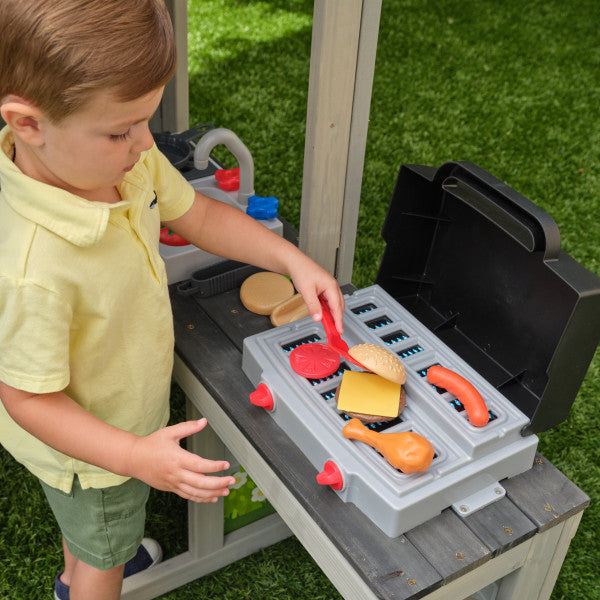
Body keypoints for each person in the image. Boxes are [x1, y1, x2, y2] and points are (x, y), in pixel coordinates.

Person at [0, 1, 345, 599]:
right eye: (121, 130)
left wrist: (290, 258)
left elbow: (200, 214)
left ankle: (79, 568)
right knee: (103, 553)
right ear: (28, 123)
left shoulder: (116, 162)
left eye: (146, 121)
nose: (144, 143)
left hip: (107, 424)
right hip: (96, 450)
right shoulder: (33, 268)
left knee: (92, 536)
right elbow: (28, 399)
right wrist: (134, 455)